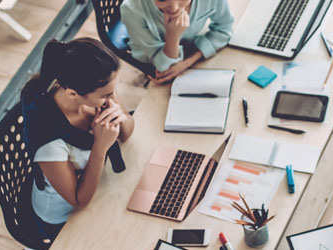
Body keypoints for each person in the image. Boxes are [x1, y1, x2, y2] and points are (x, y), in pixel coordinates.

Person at [19, 38, 136, 240]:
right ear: (73, 93)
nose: (112, 98)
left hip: (99, 185)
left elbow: (127, 132)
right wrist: (100, 147)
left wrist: (121, 118)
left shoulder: (96, 90)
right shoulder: (50, 141)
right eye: (107, 95)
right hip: (63, 218)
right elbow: (78, 200)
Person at [122, 0, 234, 84]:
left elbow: (224, 29)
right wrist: (172, 36)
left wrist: (187, 62)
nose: (174, 8)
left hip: (187, 49)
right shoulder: (132, 10)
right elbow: (166, 68)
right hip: (153, 57)